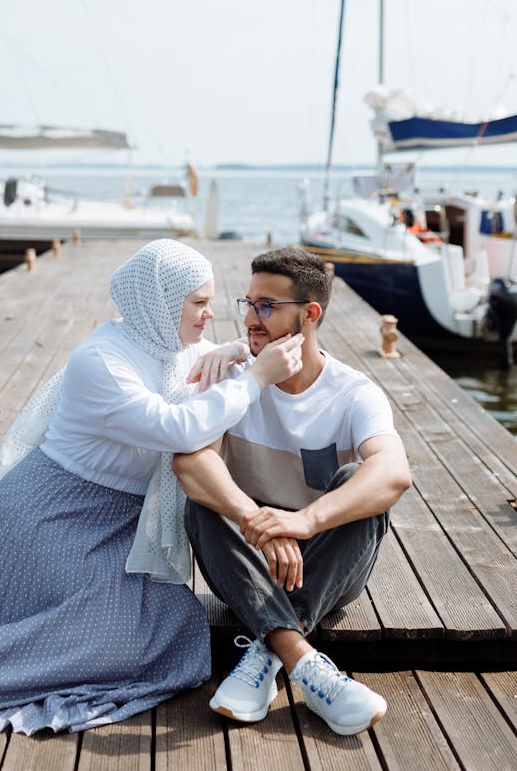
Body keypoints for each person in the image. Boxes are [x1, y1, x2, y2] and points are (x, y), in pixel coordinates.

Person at [0, 239, 304, 735]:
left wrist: (239, 349)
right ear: (160, 301)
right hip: (52, 517)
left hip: (119, 524)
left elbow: (208, 363)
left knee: (176, 624)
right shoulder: (102, 360)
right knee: (120, 635)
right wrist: (254, 379)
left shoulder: (171, 343)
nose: (210, 315)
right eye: (200, 303)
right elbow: (177, 428)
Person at [173, 247, 411, 738]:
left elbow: (393, 472)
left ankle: (267, 649)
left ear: (309, 314)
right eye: (248, 302)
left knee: (357, 482)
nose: (249, 319)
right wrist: (259, 522)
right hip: (248, 560)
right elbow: (191, 463)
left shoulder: (353, 392)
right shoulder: (236, 378)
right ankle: (301, 660)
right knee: (202, 498)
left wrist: (303, 522)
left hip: (328, 566)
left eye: (266, 306)